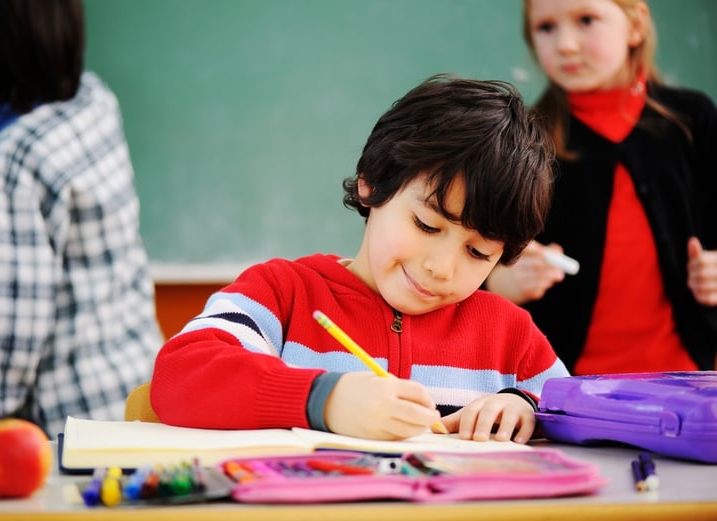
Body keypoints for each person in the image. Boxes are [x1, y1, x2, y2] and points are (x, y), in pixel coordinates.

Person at [151, 74, 569, 445]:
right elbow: (178, 376)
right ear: (372, 185)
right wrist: (324, 400)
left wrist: (527, 409)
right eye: (426, 225)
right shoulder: (283, 295)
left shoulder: (509, 335)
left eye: (478, 253)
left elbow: (575, 409)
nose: (441, 268)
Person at [0, 0, 164, 439]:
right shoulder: (94, 100)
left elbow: (8, 335)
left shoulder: (8, 160)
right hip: (146, 389)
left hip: (70, 426)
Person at [486, 0, 717, 374]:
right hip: (559, 387)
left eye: (586, 20)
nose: (565, 45)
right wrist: (499, 280)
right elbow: (473, 250)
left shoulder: (694, 120)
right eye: (546, 27)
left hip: (688, 380)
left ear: (636, 26)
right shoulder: (523, 139)